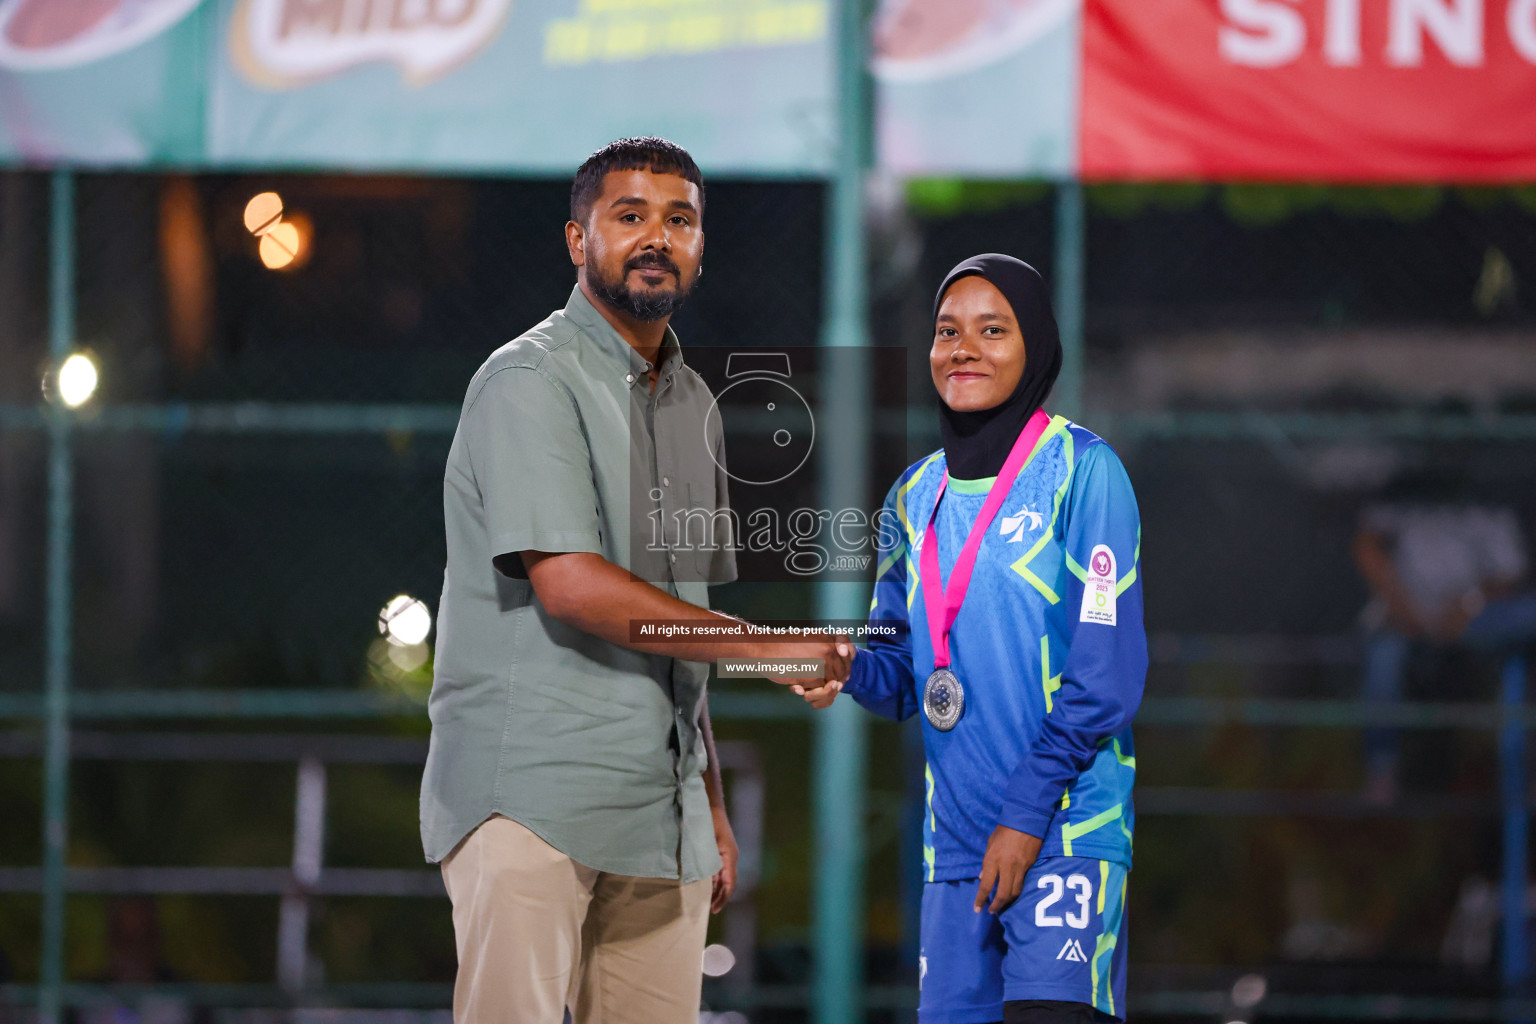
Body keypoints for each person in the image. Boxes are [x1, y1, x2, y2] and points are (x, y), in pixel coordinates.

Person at [419, 137, 850, 1024]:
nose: (657, 237)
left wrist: (709, 800)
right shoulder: (528, 380)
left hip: (661, 821)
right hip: (531, 805)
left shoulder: (691, 400)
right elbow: (573, 585)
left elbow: (678, 619)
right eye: (630, 217)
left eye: (679, 220)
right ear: (578, 241)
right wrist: (768, 649)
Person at [802, 254, 1147, 1023]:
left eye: (994, 331)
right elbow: (901, 670)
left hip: (1064, 833)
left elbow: (1106, 679)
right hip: (955, 851)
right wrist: (847, 664)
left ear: (1037, 349)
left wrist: (1026, 817)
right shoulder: (913, 494)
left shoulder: (1083, 473)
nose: (964, 349)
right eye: (947, 331)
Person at [1353, 479, 1536, 800]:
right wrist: (1403, 607)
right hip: (1404, 614)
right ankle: (1382, 772)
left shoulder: (1486, 501)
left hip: (1472, 615)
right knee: (1384, 655)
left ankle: (1526, 773)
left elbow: (1510, 572)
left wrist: (1468, 605)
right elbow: (1366, 548)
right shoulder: (1404, 493)